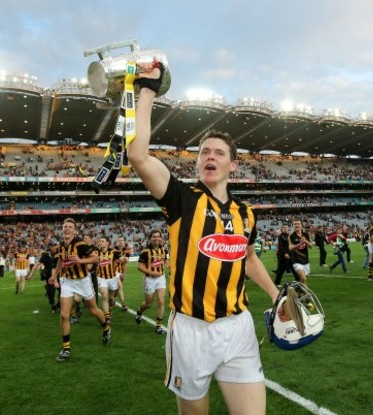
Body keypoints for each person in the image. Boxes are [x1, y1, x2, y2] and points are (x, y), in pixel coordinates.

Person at [129, 60, 284, 414]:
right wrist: (148, 90)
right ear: (198, 163)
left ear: (233, 165)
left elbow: (246, 258)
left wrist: (276, 296)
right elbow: (138, 155)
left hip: (238, 327)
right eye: (204, 152)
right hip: (191, 331)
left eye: (218, 153)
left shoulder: (246, 214)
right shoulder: (182, 199)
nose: (209, 156)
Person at [49, 218, 111, 361]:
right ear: (62, 229)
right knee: (64, 315)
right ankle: (66, 348)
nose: (67, 229)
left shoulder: (80, 244)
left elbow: (95, 259)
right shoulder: (61, 245)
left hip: (83, 281)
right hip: (67, 282)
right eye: (65, 226)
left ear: (74, 230)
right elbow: (61, 261)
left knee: (93, 309)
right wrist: (54, 275)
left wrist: (80, 260)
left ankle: (106, 327)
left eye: (70, 227)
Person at [135, 229, 169, 334]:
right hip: (149, 279)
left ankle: (158, 326)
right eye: (154, 236)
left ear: (161, 238)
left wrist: (169, 266)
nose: (156, 238)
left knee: (161, 301)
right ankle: (139, 311)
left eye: (158, 236)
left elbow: (165, 261)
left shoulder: (164, 249)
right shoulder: (145, 251)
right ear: (150, 238)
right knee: (148, 303)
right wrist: (151, 272)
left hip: (160, 278)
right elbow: (139, 266)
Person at [94, 235, 127, 322]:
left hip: (112, 277)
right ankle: (107, 317)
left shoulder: (114, 252)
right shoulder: (95, 252)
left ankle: (110, 310)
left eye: (102, 241)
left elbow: (121, 259)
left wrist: (124, 259)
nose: (100, 243)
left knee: (111, 298)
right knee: (104, 296)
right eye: (100, 241)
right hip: (101, 278)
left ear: (107, 243)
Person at [28, 240, 60, 313]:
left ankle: (59, 304)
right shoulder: (45, 255)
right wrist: (31, 273)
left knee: (62, 291)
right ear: (49, 247)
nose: (54, 247)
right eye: (52, 246)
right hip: (49, 277)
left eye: (55, 245)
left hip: (59, 275)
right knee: (50, 293)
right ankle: (53, 304)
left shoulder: (59, 253)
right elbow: (37, 264)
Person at [288, 219, 312, 285]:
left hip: (305, 260)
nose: (297, 225)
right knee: (303, 278)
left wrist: (305, 241)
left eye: (298, 224)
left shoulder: (306, 234)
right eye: (295, 224)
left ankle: (299, 292)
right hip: (296, 260)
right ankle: (306, 293)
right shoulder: (291, 236)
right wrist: (300, 243)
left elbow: (311, 246)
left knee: (303, 280)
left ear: (301, 225)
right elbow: (290, 248)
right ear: (293, 226)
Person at [114, 235, 131, 311]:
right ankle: (123, 305)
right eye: (119, 240)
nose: (120, 242)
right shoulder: (113, 250)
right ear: (117, 242)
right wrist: (123, 259)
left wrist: (124, 273)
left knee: (116, 289)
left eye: (122, 240)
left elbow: (126, 261)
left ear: (124, 242)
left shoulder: (126, 250)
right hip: (114, 271)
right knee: (120, 287)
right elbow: (124, 260)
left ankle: (112, 298)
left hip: (121, 271)